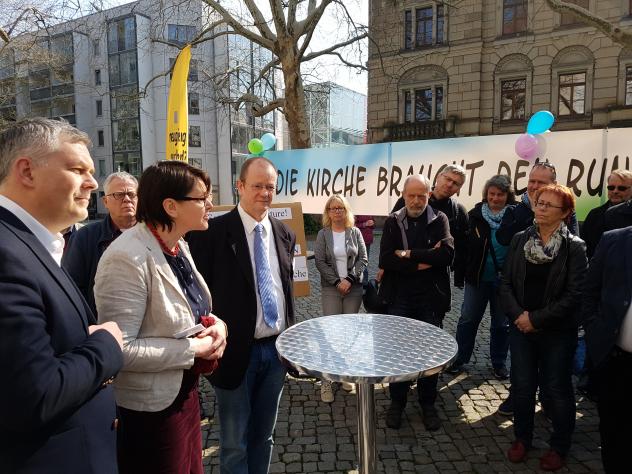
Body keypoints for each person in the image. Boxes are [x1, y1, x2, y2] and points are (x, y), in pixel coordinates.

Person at [0, 118, 124, 473]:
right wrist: (106, 346)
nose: (93, 183)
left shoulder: (33, 245)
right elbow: (33, 395)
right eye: (77, 169)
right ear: (26, 171)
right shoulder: (7, 253)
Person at [94, 161, 227, 474]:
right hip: (150, 412)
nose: (210, 204)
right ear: (171, 206)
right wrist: (194, 350)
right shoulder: (127, 257)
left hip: (184, 394)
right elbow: (120, 349)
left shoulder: (177, 244)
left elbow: (193, 308)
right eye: (202, 198)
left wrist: (218, 325)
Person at [187, 156, 296, 474]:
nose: (264, 192)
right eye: (257, 186)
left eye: (270, 186)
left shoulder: (284, 234)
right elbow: (197, 298)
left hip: (275, 354)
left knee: (265, 437)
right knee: (235, 444)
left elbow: (285, 292)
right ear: (240, 186)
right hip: (235, 354)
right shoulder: (211, 233)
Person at [499, 184, 587, 472]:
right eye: (539, 202)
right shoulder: (519, 239)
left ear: (565, 213)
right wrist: (519, 317)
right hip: (521, 329)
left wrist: (536, 319)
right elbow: (506, 283)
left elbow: (574, 295)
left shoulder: (575, 247)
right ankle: (522, 439)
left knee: (557, 389)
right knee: (522, 387)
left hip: (557, 332)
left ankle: (559, 446)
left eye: (550, 204)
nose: (541, 207)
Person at [495, 158, 579, 416]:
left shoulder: (566, 213)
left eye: (540, 182)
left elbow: (571, 249)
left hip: (552, 304)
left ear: (553, 185)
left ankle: (549, 401)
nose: (533, 186)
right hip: (522, 299)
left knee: (554, 371)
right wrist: (528, 211)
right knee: (522, 367)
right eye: (531, 180)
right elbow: (502, 237)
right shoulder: (516, 209)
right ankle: (518, 399)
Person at [379, 174, 454, 431]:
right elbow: (387, 259)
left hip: (430, 298)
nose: (416, 200)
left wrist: (409, 255)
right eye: (411, 195)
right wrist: (423, 261)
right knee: (397, 352)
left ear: (428, 195)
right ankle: (397, 403)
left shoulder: (439, 219)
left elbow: (446, 255)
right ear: (403, 194)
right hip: (399, 297)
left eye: (421, 195)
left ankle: (428, 403)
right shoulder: (392, 221)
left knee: (429, 353)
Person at [449, 175, 516, 379]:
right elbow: (462, 248)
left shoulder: (515, 216)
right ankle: (459, 359)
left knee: (500, 323)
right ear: (486, 194)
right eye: (492, 193)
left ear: (508, 195)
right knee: (468, 319)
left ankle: (498, 363)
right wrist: (459, 274)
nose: (495, 198)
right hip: (477, 279)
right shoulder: (474, 215)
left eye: (500, 194)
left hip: (505, 282)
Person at [581, 227, 632, 473]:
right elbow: (590, 290)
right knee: (613, 429)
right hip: (614, 360)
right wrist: (594, 331)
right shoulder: (614, 240)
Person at [314, 194, 367, 402]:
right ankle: (326, 380)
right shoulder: (322, 234)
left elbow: (363, 258)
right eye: (333, 208)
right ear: (328, 212)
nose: (337, 211)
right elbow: (319, 261)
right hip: (331, 289)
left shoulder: (355, 232)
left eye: (341, 208)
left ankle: (344, 373)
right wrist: (337, 282)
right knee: (331, 332)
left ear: (346, 211)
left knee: (348, 332)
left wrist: (350, 279)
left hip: (353, 288)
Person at [63, 171, 138, 314]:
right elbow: (73, 287)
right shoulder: (85, 237)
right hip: (100, 321)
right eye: (119, 195)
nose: (127, 199)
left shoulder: (154, 234)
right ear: (105, 202)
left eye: (132, 194)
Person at [390, 164, 468, 287]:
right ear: (438, 177)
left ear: (459, 188)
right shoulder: (408, 200)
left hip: (437, 279)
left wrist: (446, 253)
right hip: (404, 273)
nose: (450, 185)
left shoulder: (458, 212)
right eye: (448, 179)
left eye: (456, 183)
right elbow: (391, 236)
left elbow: (459, 249)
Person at [581, 169, 632, 258]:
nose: (615, 191)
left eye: (622, 188)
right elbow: (583, 248)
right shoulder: (594, 215)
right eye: (611, 187)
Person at [354, 214, 375, 286]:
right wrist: (364, 224)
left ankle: (364, 284)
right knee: (358, 261)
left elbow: (373, 226)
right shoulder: (357, 211)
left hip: (368, 240)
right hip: (359, 240)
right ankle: (358, 281)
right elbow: (353, 225)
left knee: (365, 261)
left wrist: (372, 223)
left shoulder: (369, 211)